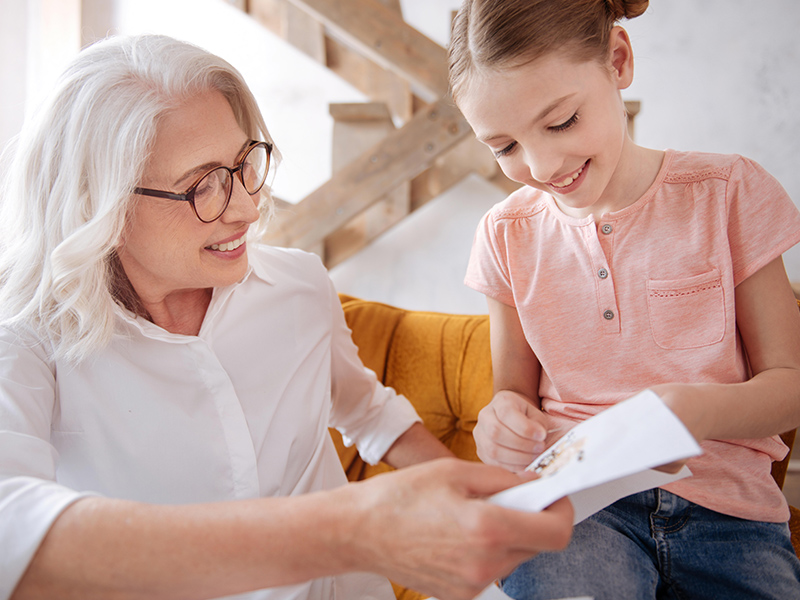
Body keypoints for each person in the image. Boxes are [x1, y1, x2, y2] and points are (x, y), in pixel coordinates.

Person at [0, 34, 575, 600]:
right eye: (203, 186)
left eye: (245, 164)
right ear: (96, 202)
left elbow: (367, 410)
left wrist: (480, 510)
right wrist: (350, 531)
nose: (248, 208)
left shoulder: (298, 286)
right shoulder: (25, 338)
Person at [448, 0, 800, 598]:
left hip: (730, 517)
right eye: (504, 147)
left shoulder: (728, 193)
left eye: (560, 123)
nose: (541, 165)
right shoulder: (506, 234)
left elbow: (790, 387)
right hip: (578, 515)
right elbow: (510, 396)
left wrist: (692, 411)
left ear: (618, 60)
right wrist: (498, 424)